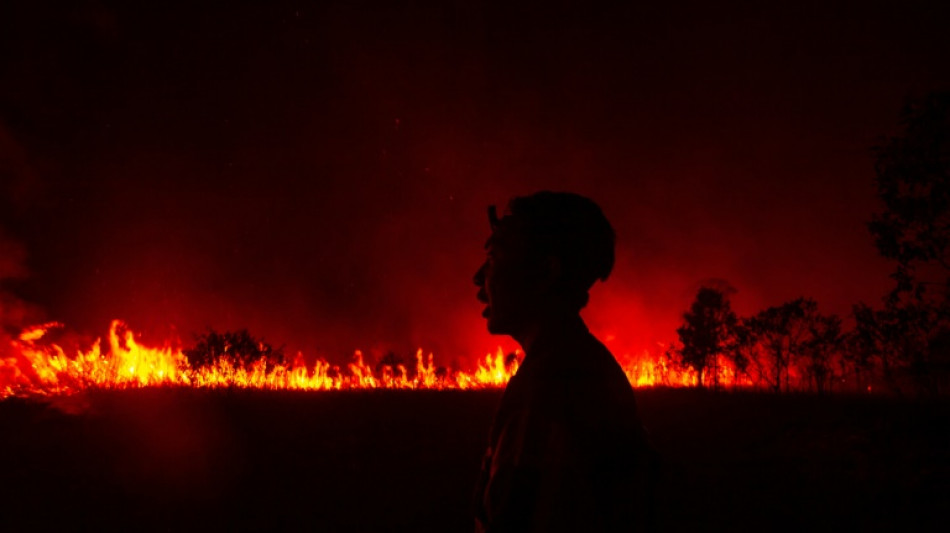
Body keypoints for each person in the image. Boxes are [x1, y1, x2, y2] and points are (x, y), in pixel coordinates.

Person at [472, 191, 654, 532]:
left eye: (494, 257)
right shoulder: (583, 366)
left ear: (547, 271)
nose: (479, 278)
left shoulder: (550, 388)